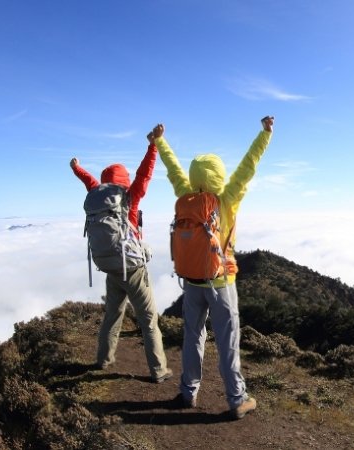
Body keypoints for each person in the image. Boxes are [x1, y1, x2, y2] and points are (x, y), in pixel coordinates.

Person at [152, 116, 274, 419]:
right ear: (219, 175)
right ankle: (237, 399)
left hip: (191, 281)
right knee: (227, 341)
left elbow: (173, 170)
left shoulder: (185, 196)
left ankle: (187, 392)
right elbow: (248, 167)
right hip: (220, 282)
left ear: (195, 176)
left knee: (192, 337)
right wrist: (265, 135)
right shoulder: (227, 200)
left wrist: (159, 142)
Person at [70, 130, 173, 383]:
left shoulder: (98, 196)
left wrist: (77, 168)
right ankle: (159, 370)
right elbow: (145, 174)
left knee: (112, 315)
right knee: (149, 320)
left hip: (111, 266)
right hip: (134, 268)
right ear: (124, 180)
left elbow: (89, 181)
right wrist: (153, 146)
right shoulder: (130, 198)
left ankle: (103, 360)